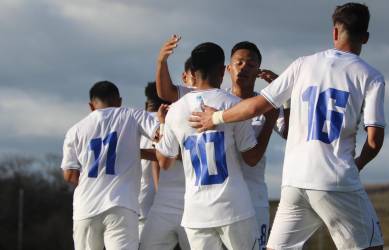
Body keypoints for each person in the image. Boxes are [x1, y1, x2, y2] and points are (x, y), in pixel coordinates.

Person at [190, 3, 385, 249]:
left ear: (334, 32)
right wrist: (358, 165)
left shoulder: (303, 64)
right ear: (365, 38)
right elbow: (375, 140)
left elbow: (254, 107)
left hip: (295, 180)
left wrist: (215, 118)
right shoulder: (370, 76)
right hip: (336, 179)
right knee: (372, 245)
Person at [156, 36, 287, 248]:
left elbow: (164, 161)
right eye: (239, 62)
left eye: (251, 64)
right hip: (235, 205)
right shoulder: (232, 104)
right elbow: (252, 157)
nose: (244, 67)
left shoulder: (179, 109)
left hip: (205, 208)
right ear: (225, 69)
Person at [60, 81, 159, 250]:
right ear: (119, 101)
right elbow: (160, 136)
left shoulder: (74, 130)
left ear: (91, 106)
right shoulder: (132, 115)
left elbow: (70, 175)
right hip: (122, 204)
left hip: (86, 207)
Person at [139, 82, 190, 250]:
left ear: (147, 104)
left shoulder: (136, 122)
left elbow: (160, 159)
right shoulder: (175, 119)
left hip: (140, 206)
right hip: (172, 203)